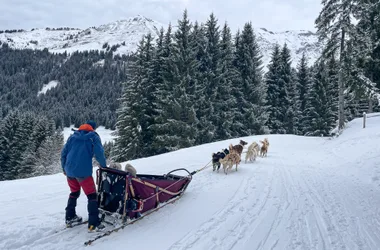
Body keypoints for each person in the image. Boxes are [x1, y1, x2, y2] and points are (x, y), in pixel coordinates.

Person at [61, 120, 107, 232]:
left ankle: (70, 217)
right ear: (93, 128)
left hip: (69, 170)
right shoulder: (93, 137)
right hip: (83, 172)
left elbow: (63, 153)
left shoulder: (73, 136)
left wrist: (64, 168)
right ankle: (93, 224)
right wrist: (104, 166)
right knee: (92, 196)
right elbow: (99, 153)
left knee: (74, 193)